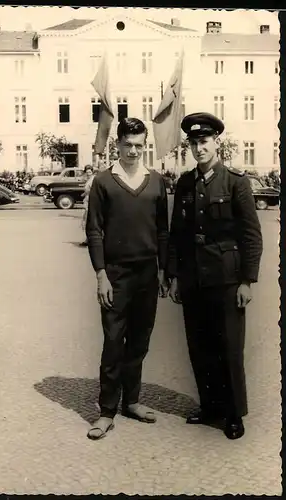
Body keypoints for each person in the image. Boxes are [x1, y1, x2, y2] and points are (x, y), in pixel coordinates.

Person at [167, 112, 263, 440]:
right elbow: (177, 233)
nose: (199, 148)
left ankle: (234, 413)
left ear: (216, 143)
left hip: (226, 279)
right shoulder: (184, 184)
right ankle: (210, 406)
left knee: (229, 347)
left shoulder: (236, 182)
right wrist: (174, 275)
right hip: (194, 278)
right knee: (200, 345)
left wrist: (247, 281)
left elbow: (251, 235)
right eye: (194, 143)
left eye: (204, 141)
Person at [86, 117, 169, 440]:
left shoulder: (156, 181)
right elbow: (94, 230)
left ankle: (131, 401)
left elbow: (163, 230)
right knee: (112, 341)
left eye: (139, 145)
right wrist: (101, 275)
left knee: (139, 341)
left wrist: (163, 270)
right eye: (128, 145)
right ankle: (106, 411)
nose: (134, 151)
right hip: (116, 275)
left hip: (148, 273)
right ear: (117, 145)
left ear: (144, 145)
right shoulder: (104, 182)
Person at [80, 165, 96, 247]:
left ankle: (89, 240)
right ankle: (88, 239)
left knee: (89, 220)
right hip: (87, 200)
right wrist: (83, 194)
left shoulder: (93, 179)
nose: (88, 173)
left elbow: (92, 190)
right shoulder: (89, 179)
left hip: (91, 201)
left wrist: (86, 193)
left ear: (92, 172)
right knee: (86, 220)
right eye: (87, 172)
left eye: (90, 172)